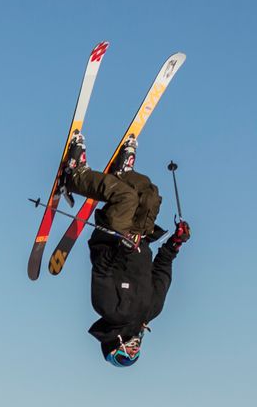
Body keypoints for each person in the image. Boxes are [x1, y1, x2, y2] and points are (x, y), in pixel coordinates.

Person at [62, 140, 192, 367]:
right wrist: (175, 242)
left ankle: (74, 176)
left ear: (113, 345)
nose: (133, 351)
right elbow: (162, 269)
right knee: (150, 196)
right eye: (135, 355)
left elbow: (101, 269)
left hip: (113, 237)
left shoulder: (109, 310)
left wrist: (122, 247)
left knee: (126, 198)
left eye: (123, 356)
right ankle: (122, 173)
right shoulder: (152, 309)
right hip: (140, 237)